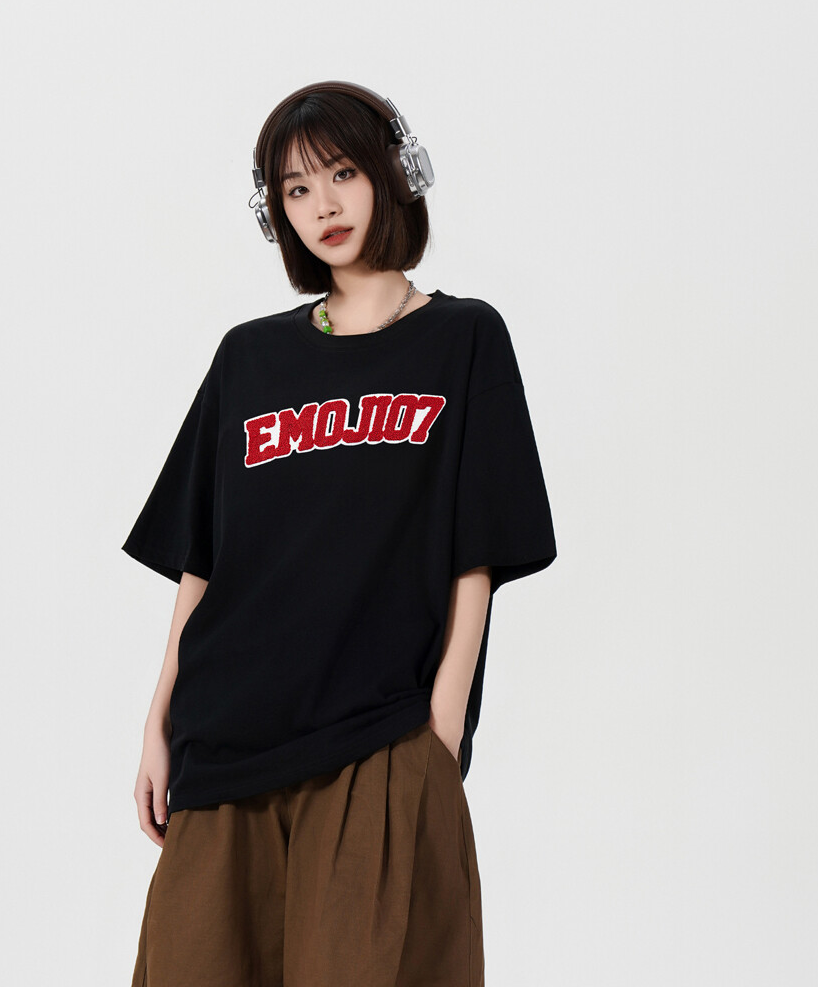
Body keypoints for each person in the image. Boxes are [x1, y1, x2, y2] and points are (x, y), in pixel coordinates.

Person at [120, 80, 557, 987]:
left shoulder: (465, 339)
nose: (323, 205)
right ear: (274, 213)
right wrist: (159, 723)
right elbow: (203, 562)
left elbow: (475, 554)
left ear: (396, 174)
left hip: (378, 742)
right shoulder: (249, 357)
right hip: (223, 745)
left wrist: (439, 734)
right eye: (296, 188)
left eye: (343, 173)